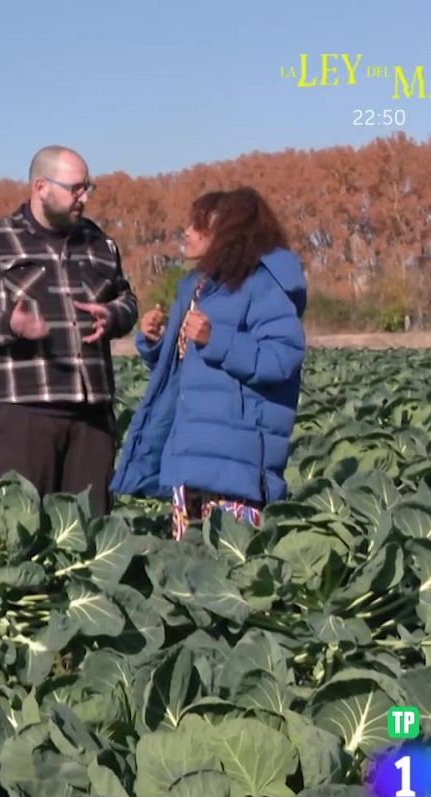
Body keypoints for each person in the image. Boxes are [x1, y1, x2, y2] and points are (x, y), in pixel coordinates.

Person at [0, 145, 140, 516]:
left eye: (87, 188)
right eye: (75, 189)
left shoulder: (100, 244)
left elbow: (127, 300)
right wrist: (9, 324)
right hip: (24, 412)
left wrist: (113, 315)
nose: (83, 198)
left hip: (92, 413)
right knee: (23, 529)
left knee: (89, 529)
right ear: (41, 187)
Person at [110, 187, 308, 538]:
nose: (186, 232)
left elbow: (281, 360)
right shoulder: (197, 286)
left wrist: (216, 339)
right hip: (190, 450)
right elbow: (190, 370)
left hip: (235, 458)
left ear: (229, 232)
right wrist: (156, 341)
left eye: (198, 225)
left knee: (235, 563)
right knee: (191, 568)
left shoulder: (263, 286)